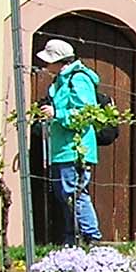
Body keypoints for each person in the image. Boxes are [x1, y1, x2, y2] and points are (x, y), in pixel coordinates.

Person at [36, 37, 102, 245]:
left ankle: (90, 238)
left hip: (74, 148)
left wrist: (57, 113)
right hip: (62, 148)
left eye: (48, 60)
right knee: (66, 194)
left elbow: (86, 113)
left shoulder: (78, 79)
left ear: (59, 61)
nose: (45, 64)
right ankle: (73, 240)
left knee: (75, 194)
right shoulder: (61, 80)